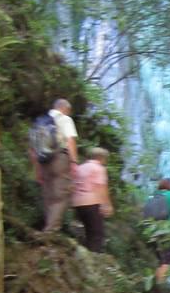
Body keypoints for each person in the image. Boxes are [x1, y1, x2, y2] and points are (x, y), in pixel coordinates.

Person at [36, 97, 78, 234]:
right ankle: (51, 230)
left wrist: (37, 168)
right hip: (59, 158)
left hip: (43, 159)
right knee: (62, 195)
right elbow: (70, 140)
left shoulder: (40, 121)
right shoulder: (65, 119)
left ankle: (48, 226)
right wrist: (74, 162)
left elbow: (32, 147)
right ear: (65, 108)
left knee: (48, 194)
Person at [72, 147, 113, 252]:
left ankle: (84, 255)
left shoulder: (80, 167)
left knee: (85, 230)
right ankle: (94, 259)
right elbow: (101, 187)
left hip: (77, 204)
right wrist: (107, 205)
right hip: (92, 203)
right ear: (101, 158)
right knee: (96, 233)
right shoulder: (99, 168)